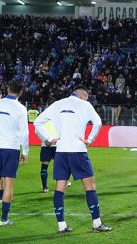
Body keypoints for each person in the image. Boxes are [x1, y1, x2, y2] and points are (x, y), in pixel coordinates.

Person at [34, 85, 111, 234]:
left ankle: (61, 225)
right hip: (78, 150)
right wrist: (89, 140)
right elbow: (98, 122)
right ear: (83, 95)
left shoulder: (57, 104)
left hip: (61, 151)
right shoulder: (85, 105)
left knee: (59, 187)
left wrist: (48, 139)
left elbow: (38, 122)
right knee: (89, 186)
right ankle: (96, 223)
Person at [0, 80, 29, 225]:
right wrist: (26, 151)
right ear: (21, 92)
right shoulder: (21, 108)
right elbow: (24, 133)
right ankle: (4, 218)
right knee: (9, 184)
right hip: (12, 148)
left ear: (8, 88)